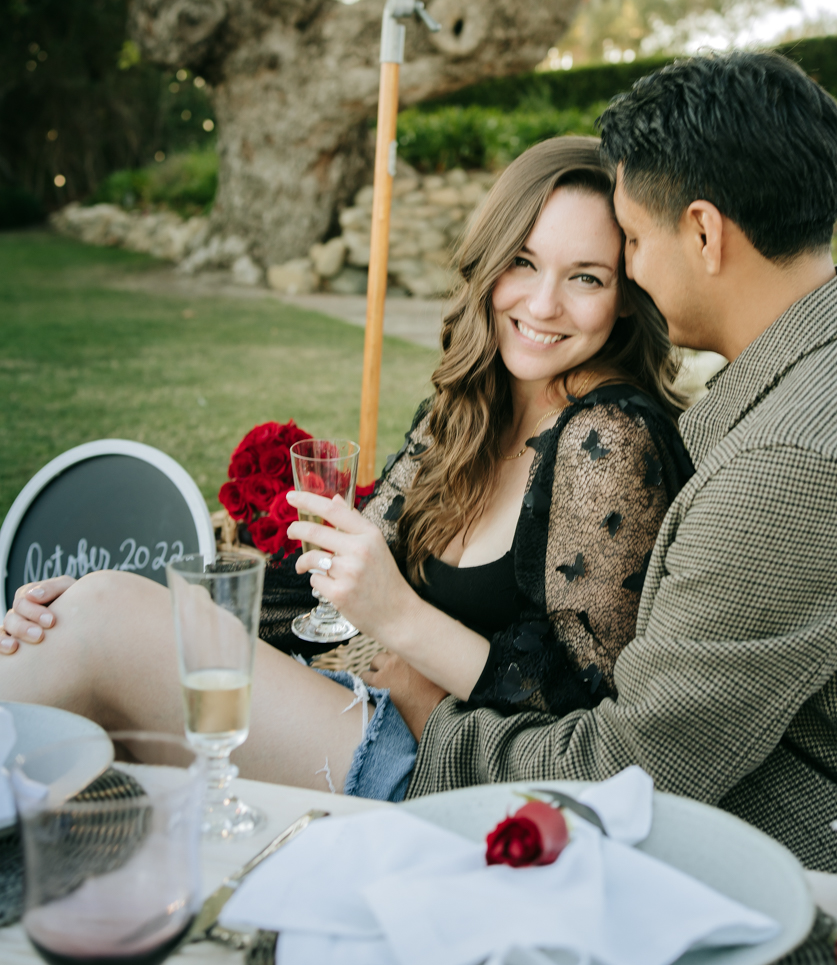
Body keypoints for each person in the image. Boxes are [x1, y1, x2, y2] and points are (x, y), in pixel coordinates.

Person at [386, 51, 837, 893]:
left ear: (705, 233)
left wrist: (423, 713)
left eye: (631, 240)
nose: (630, 270)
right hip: (797, 812)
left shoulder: (798, 463)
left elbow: (625, 772)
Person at [0, 137, 692, 802]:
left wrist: (400, 620)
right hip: (358, 704)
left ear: (625, 294)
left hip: (435, 768)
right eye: (523, 262)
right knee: (91, 618)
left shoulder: (611, 439)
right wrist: (141, 597)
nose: (543, 305)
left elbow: (592, 711)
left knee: (102, 631)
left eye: (585, 278)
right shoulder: (470, 408)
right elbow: (326, 594)